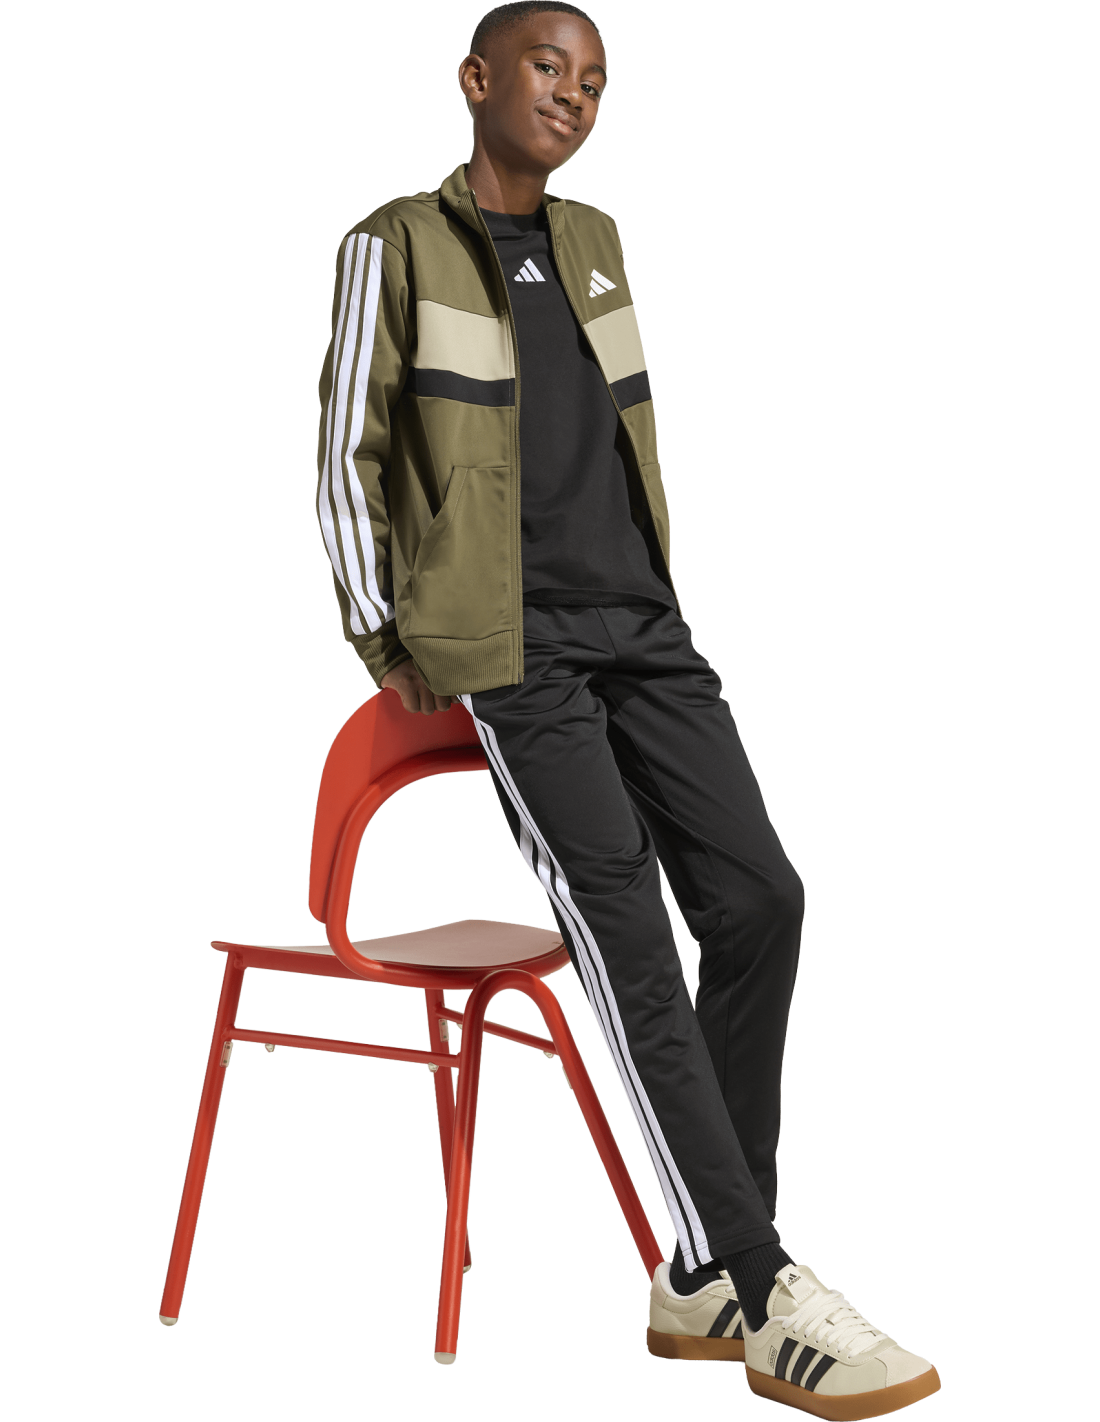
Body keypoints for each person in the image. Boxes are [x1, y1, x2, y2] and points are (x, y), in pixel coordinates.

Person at [315, 3, 939, 1413]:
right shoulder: (393, 244)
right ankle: (764, 1286)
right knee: (629, 934)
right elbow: (345, 445)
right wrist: (382, 633)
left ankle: (703, 1264)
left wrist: (651, 590)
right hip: (511, 650)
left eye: (594, 80)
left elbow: (614, 438)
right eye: (549, 68)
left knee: (764, 899)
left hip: (645, 627)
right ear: (476, 78)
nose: (574, 95)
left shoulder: (595, 239)